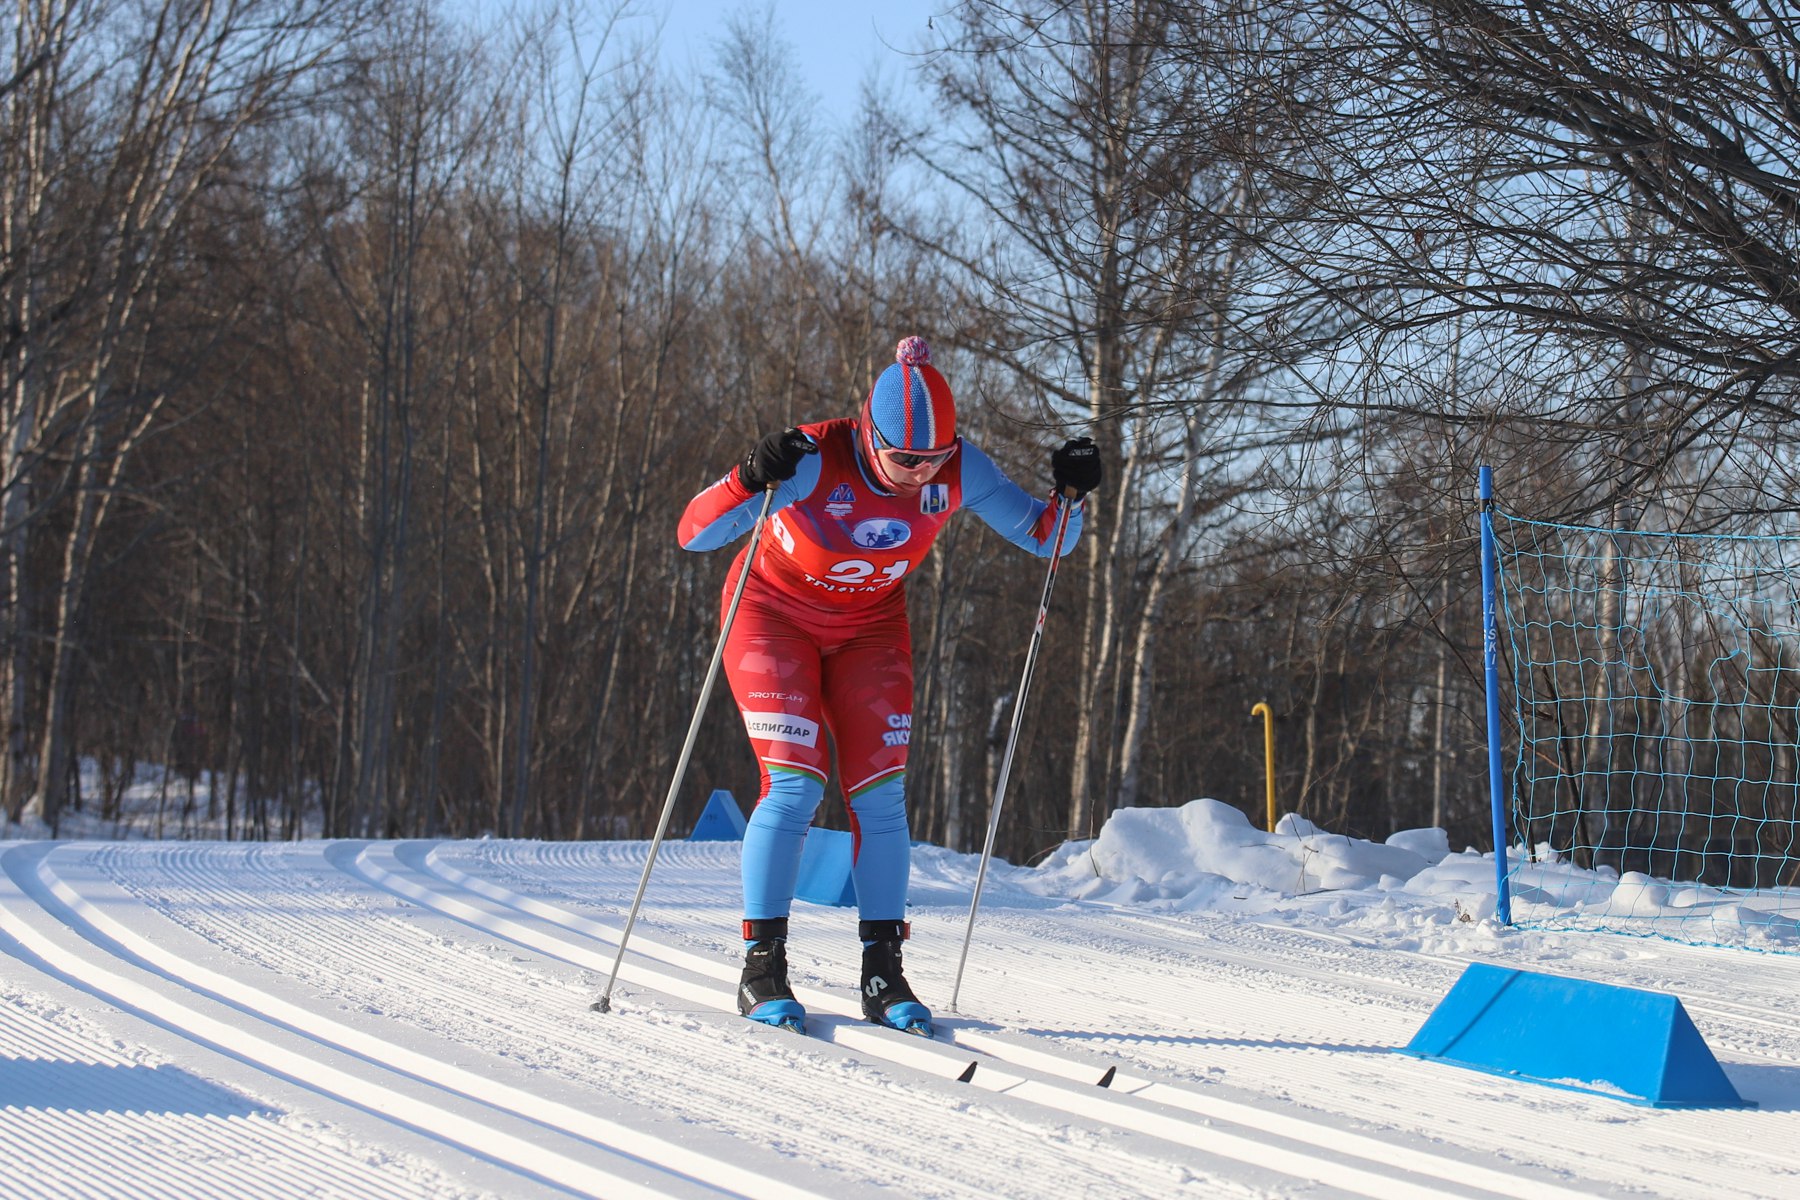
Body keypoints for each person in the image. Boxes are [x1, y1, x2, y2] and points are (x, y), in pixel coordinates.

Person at [678, 336, 1103, 1035]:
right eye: (905, 458)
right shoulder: (816, 458)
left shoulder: (958, 469)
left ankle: (883, 974)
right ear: (870, 436)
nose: (920, 473)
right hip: (772, 616)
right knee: (796, 785)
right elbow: (694, 535)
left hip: (869, 627)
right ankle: (763, 968)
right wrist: (749, 474)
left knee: (881, 796)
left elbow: (1046, 538)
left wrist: (1072, 495)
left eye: (935, 457)